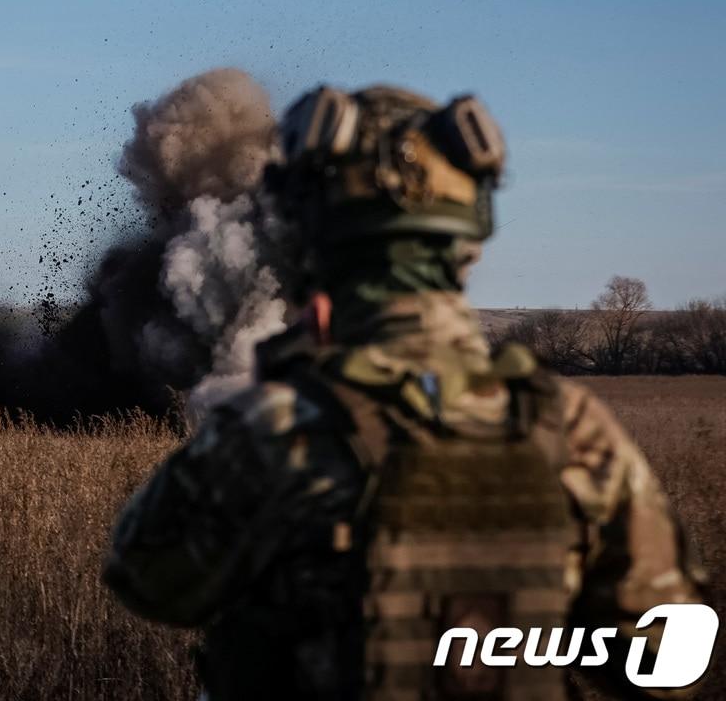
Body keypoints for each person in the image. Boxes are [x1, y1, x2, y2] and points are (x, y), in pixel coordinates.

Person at [102, 84, 708, 700]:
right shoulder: (572, 431)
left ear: (310, 241)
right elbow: (674, 660)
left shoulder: (274, 429)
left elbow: (148, 579)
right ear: (467, 245)